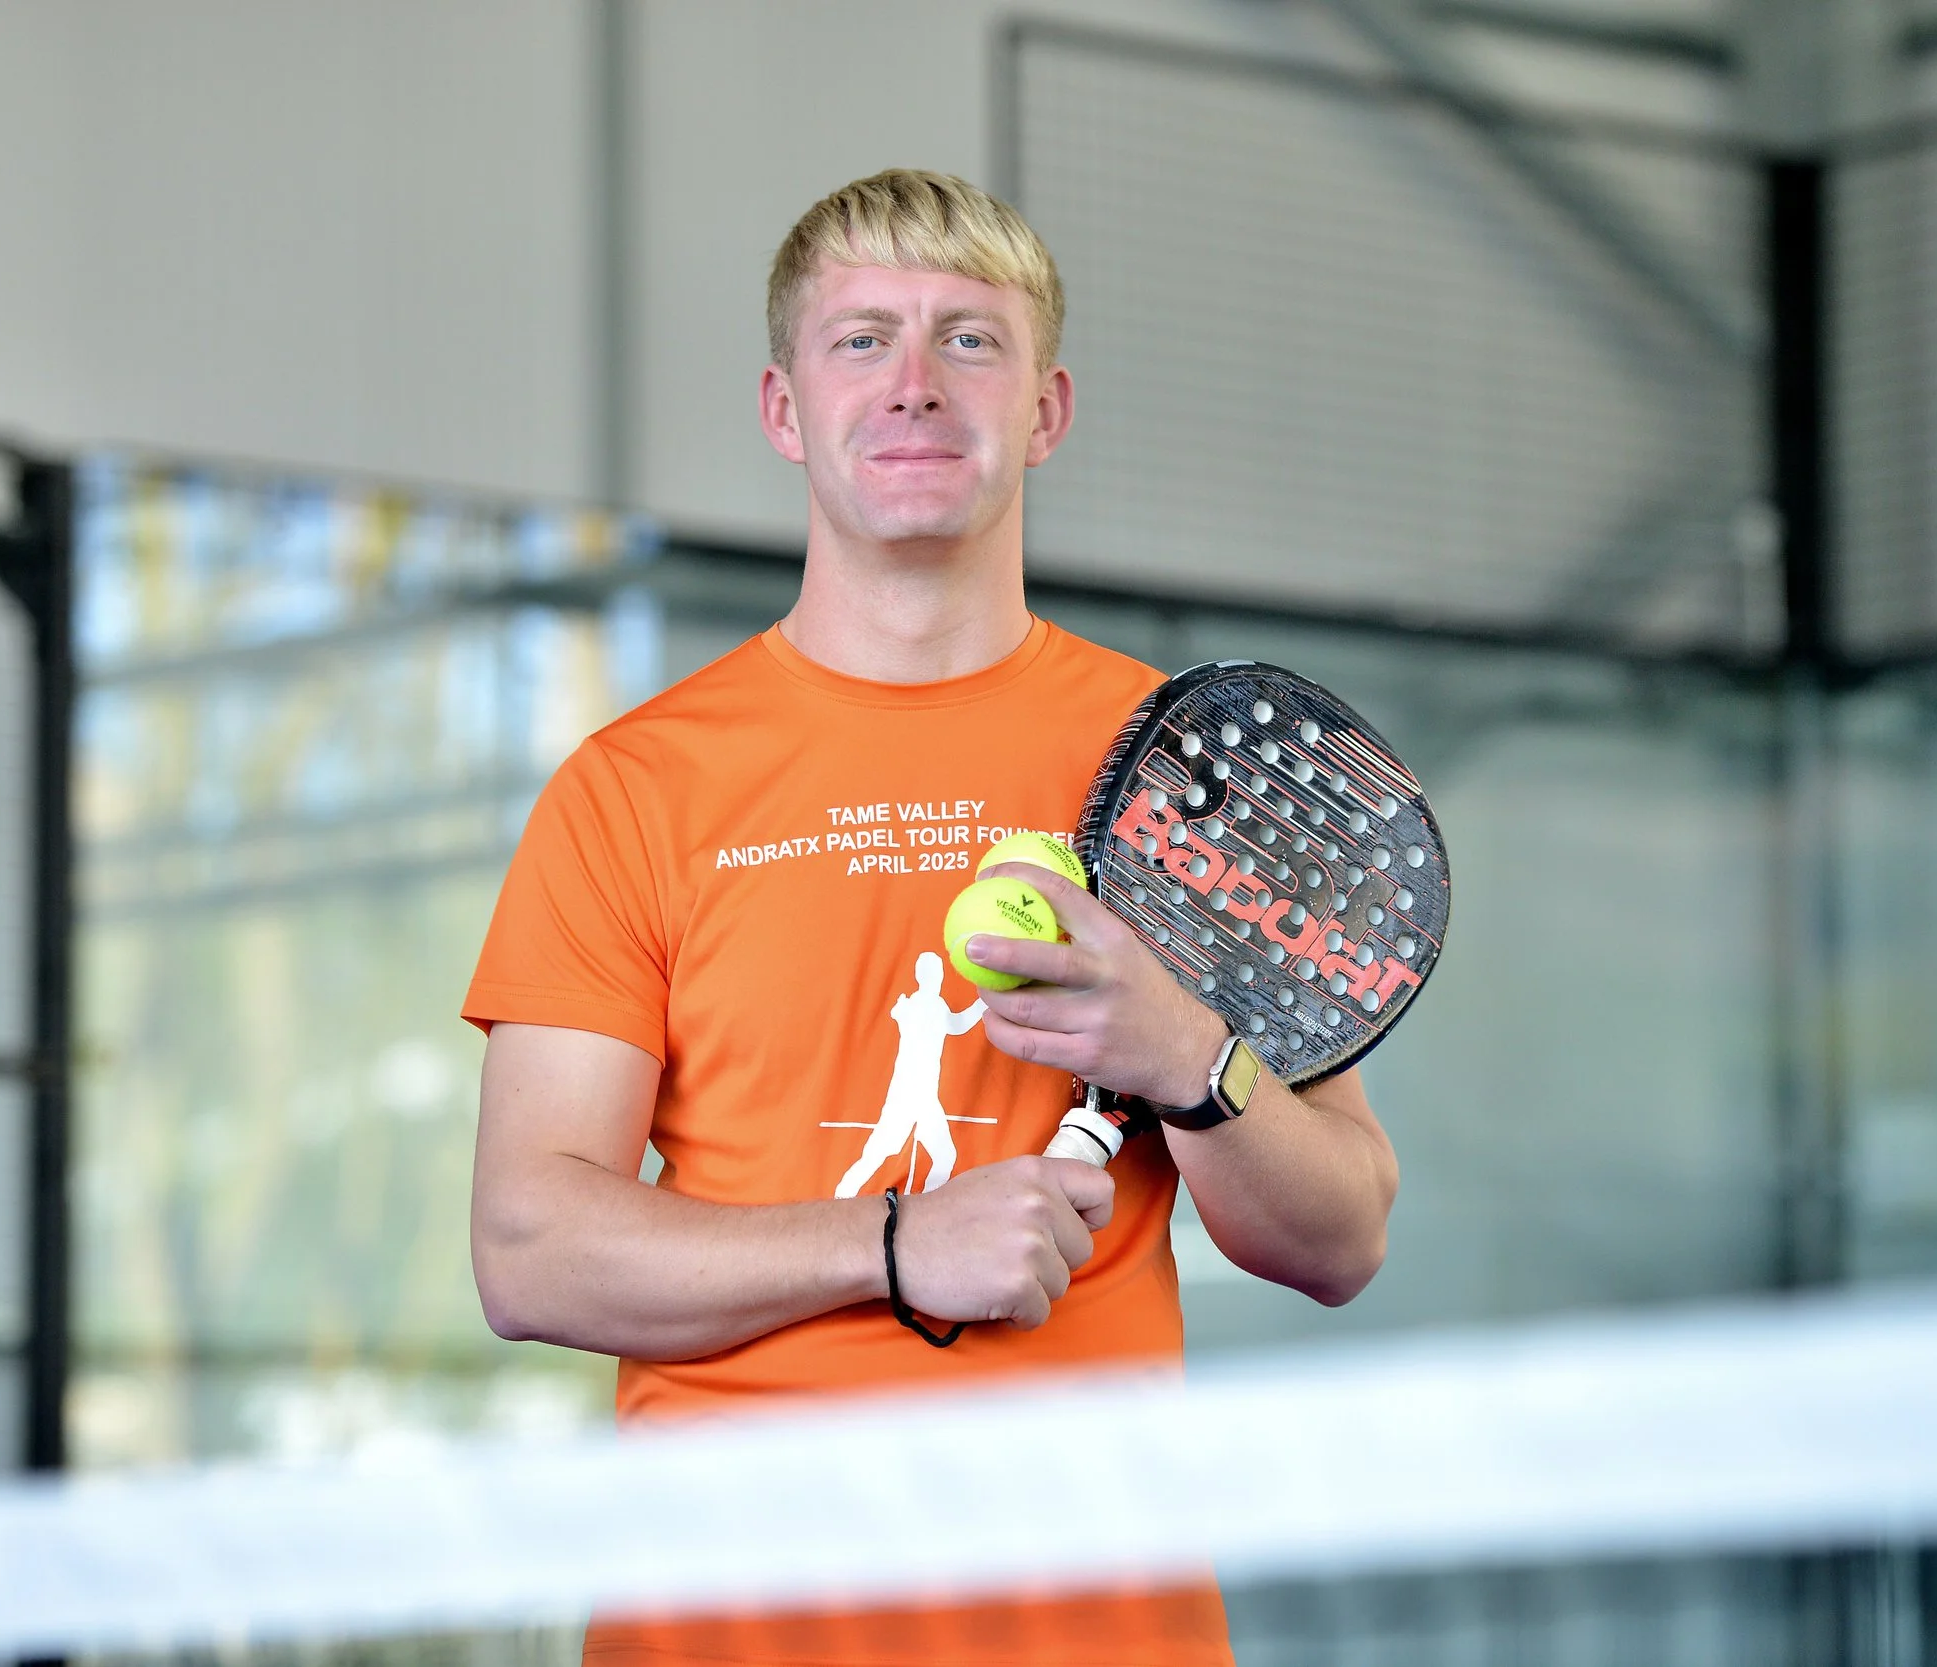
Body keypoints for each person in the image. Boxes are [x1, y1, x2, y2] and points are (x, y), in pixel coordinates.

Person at [465, 168, 1398, 1667]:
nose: (913, 385)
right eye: (860, 343)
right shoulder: (632, 788)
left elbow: (1339, 1233)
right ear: (784, 409)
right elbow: (529, 1246)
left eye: (971, 341)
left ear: (1048, 409)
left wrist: (1186, 1055)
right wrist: (893, 1242)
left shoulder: (1186, 771)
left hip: (1099, 1625)